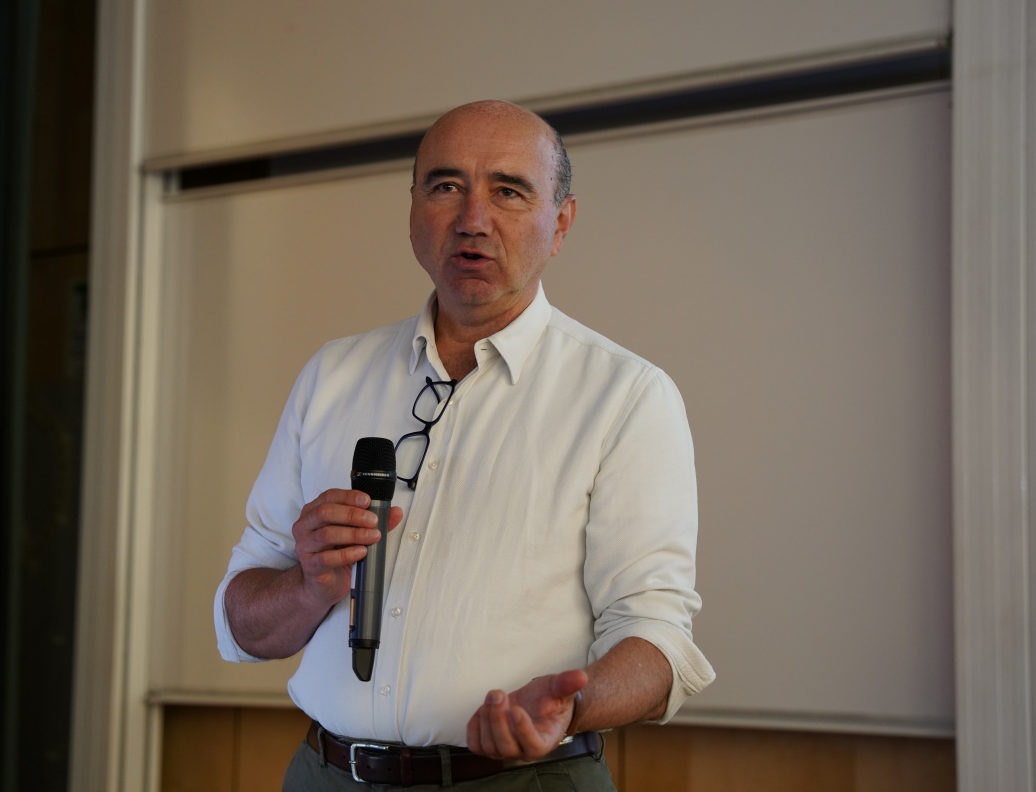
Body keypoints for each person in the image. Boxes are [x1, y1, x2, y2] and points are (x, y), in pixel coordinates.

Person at [214, 100, 714, 789]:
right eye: (446, 186)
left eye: (509, 191)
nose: (472, 218)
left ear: (561, 222)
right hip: (324, 773)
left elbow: (657, 639)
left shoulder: (625, 395)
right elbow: (242, 620)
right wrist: (307, 587)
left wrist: (569, 707)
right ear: (413, 209)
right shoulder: (333, 375)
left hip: (522, 780)